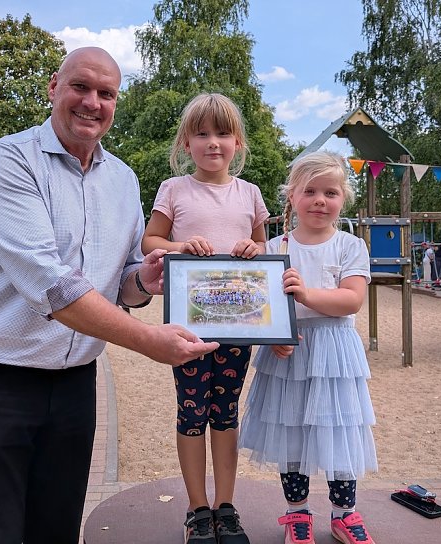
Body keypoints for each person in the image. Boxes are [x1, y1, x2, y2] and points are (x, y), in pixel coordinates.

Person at [0, 47, 219, 544]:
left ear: (116, 102)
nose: (92, 102)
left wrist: (146, 280)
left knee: (57, 529)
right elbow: (53, 285)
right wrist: (149, 341)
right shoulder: (7, 160)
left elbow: (124, 281)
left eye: (106, 93)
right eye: (81, 87)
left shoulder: (123, 179)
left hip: (74, 385)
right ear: (54, 87)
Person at [142, 92, 268, 544]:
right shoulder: (174, 190)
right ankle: (197, 509)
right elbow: (149, 241)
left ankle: (226, 507)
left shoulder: (250, 194)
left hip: (238, 323)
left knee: (226, 412)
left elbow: (263, 255)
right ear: (186, 143)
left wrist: (256, 249)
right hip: (188, 327)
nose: (213, 142)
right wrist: (180, 246)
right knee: (192, 412)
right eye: (202, 133)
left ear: (237, 142)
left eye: (223, 133)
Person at [239, 151, 378, 544]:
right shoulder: (274, 248)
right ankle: (297, 514)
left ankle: (344, 514)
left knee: (339, 431)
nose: (320, 199)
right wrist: (273, 336)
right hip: (289, 349)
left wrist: (306, 293)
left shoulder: (350, 246)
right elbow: (260, 306)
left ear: (343, 198)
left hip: (334, 351)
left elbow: (351, 300)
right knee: (292, 434)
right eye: (310, 191)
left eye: (330, 192)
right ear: (292, 196)